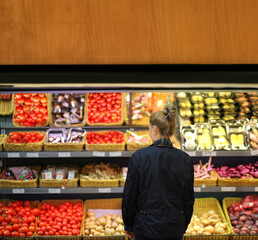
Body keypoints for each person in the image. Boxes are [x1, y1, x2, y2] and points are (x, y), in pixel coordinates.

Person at [122, 103, 194, 240]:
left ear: (154, 129)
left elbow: (130, 196)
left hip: (146, 228)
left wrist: (129, 226)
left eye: (149, 129)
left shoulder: (139, 157)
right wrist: (183, 224)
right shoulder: (185, 159)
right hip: (174, 227)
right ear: (172, 131)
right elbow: (188, 198)